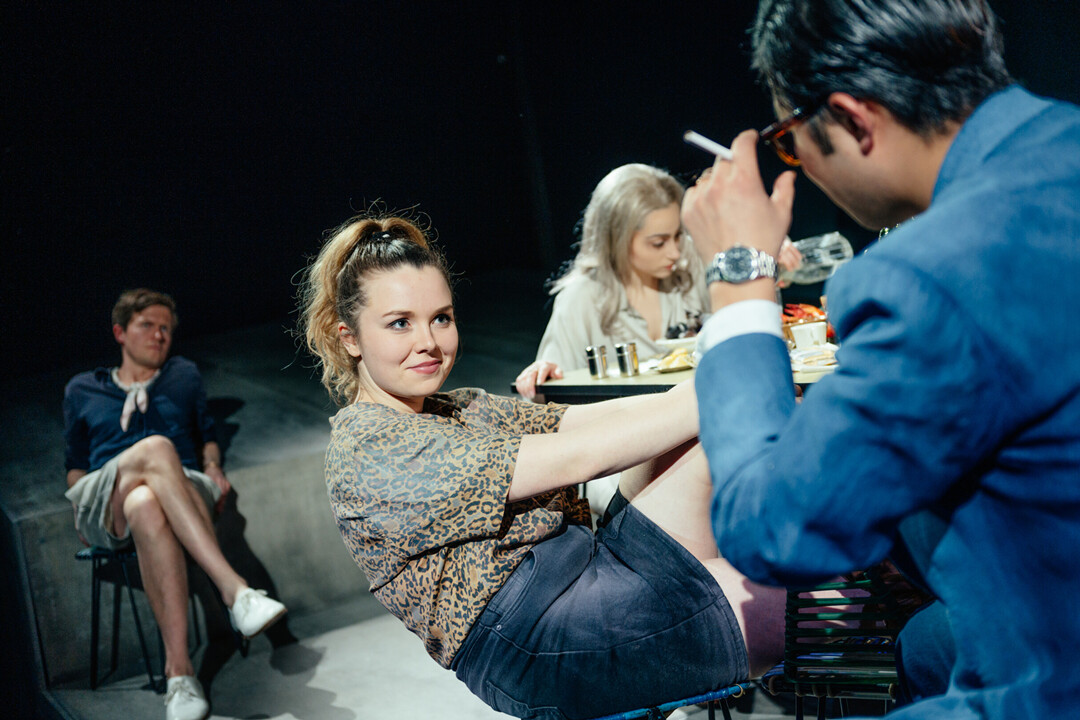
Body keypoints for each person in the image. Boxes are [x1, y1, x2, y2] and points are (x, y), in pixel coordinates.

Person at [681, 1, 1080, 718]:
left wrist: (738, 279)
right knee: (923, 647)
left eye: (789, 141)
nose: (797, 164)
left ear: (851, 119)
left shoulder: (928, 274)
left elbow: (774, 530)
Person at [298, 214, 787, 720]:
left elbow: (590, 421)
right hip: (540, 640)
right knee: (800, 604)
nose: (429, 341)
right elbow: (582, 456)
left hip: (592, 569)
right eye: (400, 323)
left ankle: (766, 579)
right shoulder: (369, 446)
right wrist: (736, 382)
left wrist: (709, 389)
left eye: (441, 318)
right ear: (349, 338)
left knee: (698, 438)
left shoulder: (458, 407)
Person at [63, 289, 288, 720]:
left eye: (166, 328)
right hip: (108, 494)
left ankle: (180, 675)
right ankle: (235, 591)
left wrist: (213, 465)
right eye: (147, 325)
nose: (159, 335)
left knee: (146, 501)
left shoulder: (182, 375)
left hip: (181, 487)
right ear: (120, 332)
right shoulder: (83, 388)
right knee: (156, 448)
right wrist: (80, 505)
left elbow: (206, 436)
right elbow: (74, 464)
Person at [515, 163, 801, 400]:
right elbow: (552, 394)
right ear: (616, 239)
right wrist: (541, 377)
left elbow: (754, 300)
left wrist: (764, 254)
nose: (675, 252)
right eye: (658, 242)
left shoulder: (690, 261)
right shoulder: (582, 297)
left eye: (678, 235)